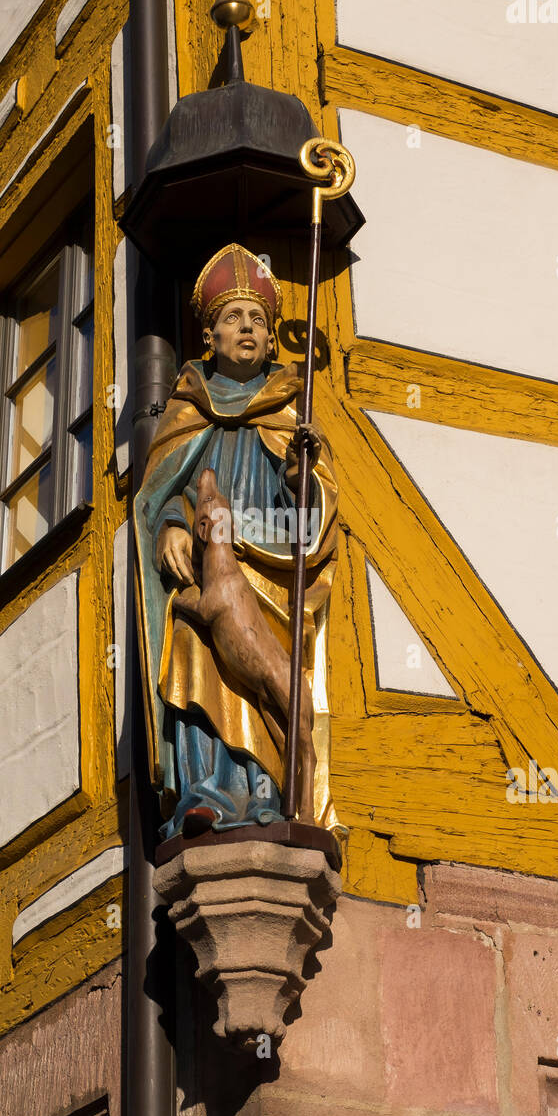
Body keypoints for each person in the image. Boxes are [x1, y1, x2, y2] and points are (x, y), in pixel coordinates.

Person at [133, 243, 343, 840]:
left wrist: (302, 477)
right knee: (192, 639)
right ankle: (204, 797)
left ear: (272, 339)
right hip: (208, 564)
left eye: (257, 319)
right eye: (231, 318)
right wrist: (172, 522)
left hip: (270, 574)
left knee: (269, 683)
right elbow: (160, 493)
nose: (245, 328)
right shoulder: (187, 410)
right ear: (210, 337)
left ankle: (271, 797)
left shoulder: (289, 417)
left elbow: (316, 516)